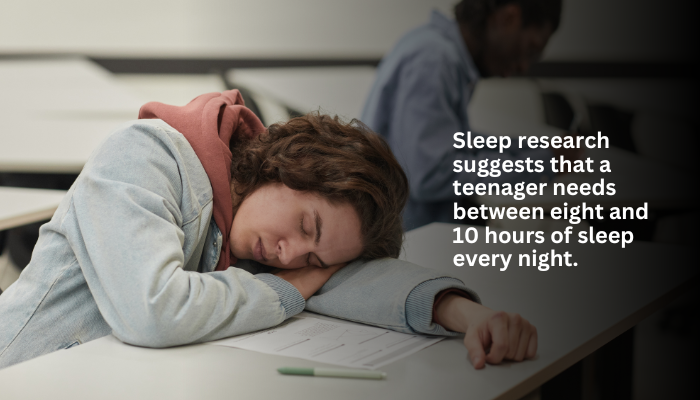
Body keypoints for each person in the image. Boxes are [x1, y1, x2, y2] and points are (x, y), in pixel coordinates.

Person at [0, 90, 536, 370]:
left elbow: (354, 279)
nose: (290, 254)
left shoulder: (252, 225)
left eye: (313, 260)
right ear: (289, 166)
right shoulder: (142, 158)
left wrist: (467, 315)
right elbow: (153, 310)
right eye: (307, 226)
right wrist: (288, 288)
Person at [362, 0, 577, 230]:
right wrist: (542, 163)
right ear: (509, 18)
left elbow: (455, 141)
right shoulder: (434, 59)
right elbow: (432, 174)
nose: (525, 66)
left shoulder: (433, 46)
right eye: (530, 49)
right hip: (414, 240)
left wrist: (532, 147)